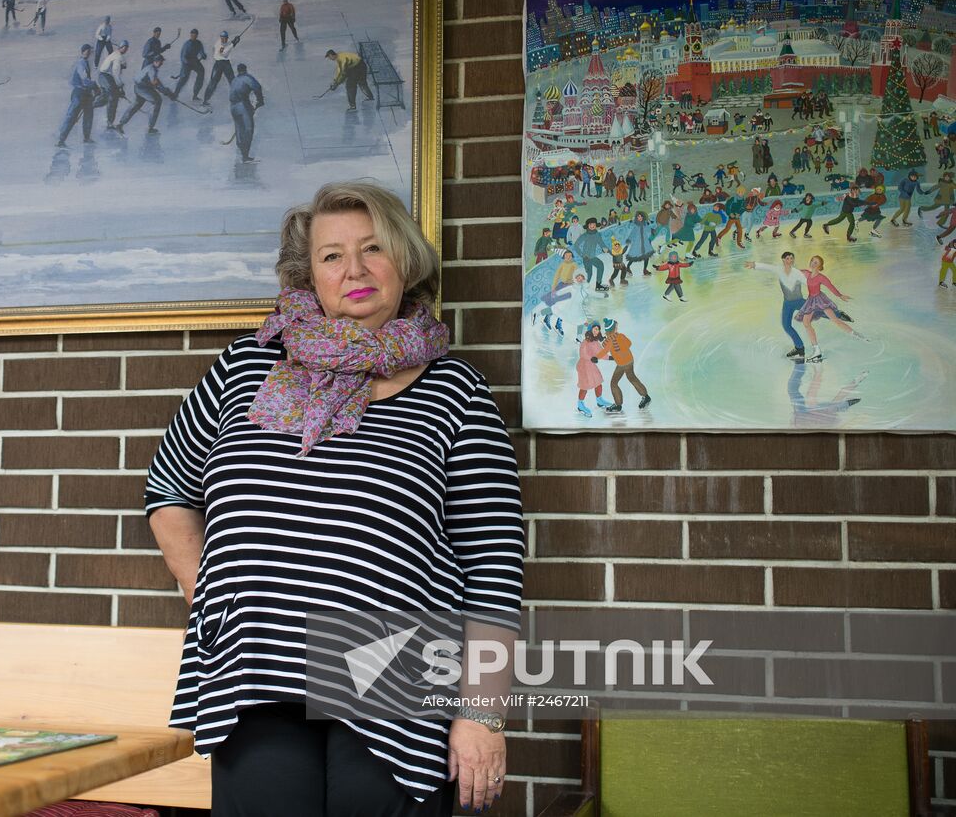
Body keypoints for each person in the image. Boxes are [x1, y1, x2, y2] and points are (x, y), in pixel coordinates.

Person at [146, 181, 524, 817]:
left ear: (404, 262)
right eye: (331, 255)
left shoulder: (455, 391)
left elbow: (493, 570)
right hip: (257, 670)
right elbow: (170, 490)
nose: (354, 269)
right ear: (308, 274)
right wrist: (209, 597)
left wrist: (482, 714)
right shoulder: (248, 365)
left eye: (373, 248)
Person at [798, 255, 865, 363]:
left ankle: (856, 334)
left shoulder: (821, 277)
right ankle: (817, 350)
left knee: (835, 320)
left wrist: (840, 295)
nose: (813, 263)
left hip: (820, 300)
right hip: (811, 301)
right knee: (806, 323)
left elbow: (830, 286)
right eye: (812, 261)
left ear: (820, 266)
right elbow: (795, 272)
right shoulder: (807, 273)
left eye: (816, 263)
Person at [744, 252, 808, 360]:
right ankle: (799, 347)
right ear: (783, 260)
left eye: (792, 258)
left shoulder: (797, 273)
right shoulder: (779, 269)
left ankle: (838, 314)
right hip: (787, 303)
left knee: (818, 310)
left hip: (799, 301)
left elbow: (809, 283)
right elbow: (768, 267)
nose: (790, 260)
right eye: (788, 258)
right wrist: (754, 265)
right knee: (786, 326)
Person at [115, 52, 174, 136]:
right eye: (161, 62)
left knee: (136, 105)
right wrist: (167, 92)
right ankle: (150, 128)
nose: (162, 63)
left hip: (139, 88)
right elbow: (154, 82)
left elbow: (156, 81)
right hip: (142, 89)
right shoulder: (152, 69)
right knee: (157, 101)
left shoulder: (151, 67)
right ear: (156, 61)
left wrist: (165, 90)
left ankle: (120, 124)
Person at [600, 318, 650, 412]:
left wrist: (596, 357)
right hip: (625, 362)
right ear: (613, 329)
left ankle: (620, 404)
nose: (617, 329)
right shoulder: (617, 337)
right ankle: (644, 397)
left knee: (618, 382)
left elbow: (605, 349)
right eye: (616, 328)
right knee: (628, 379)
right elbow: (628, 343)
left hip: (624, 362)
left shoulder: (611, 339)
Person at [56, 44, 98, 147]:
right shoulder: (80, 63)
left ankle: (86, 137)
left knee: (88, 115)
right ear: (82, 52)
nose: (88, 53)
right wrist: (95, 86)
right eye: (86, 51)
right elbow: (84, 79)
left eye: (89, 51)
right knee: (72, 116)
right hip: (79, 93)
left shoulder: (86, 62)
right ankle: (61, 139)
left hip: (86, 93)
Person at [228, 63, 263, 163]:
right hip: (243, 106)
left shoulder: (234, 80)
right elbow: (257, 87)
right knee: (248, 130)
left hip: (233, 107)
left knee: (239, 130)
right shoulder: (247, 78)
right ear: (245, 70)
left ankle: (243, 154)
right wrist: (260, 101)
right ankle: (245, 156)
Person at [576, 320, 607, 417]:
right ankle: (580, 405)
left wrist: (611, 358)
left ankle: (600, 400)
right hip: (583, 366)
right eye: (595, 329)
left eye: (598, 329)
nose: (597, 331)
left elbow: (601, 353)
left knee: (598, 382)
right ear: (590, 330)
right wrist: (591, 358)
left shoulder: (595, 342)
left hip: (591, 365)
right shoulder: (585, 342)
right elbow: (583, 354)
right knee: (585, 386)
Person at [202, 31, 240, 105]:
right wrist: (233, 43)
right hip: (218, 64)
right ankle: (205, 100)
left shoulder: (227, 42)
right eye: (222, 38)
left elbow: (228, 45)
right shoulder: (219, 44)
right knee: (213, 82)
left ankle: (238, 97)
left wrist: (234, 41)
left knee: (232, 81)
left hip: (226, 64)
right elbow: (223, 53)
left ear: (227, 38)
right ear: (220, 38)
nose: (224, 40)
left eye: (225, 38)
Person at [98, 39, 129, 130]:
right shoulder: (118, 57)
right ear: (122, 47)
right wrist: (120, 87)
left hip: (105, 77)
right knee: (113, 97)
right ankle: (110, 122)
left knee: (106, 97)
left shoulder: (117, 55)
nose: (126, 50)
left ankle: (91, 105)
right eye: (125, 48)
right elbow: (115, 73)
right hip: (105, 77)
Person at [172, 29, 207, 102]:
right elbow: (183, 56)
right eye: (192, 35)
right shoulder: (187, 44)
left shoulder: (199, 43)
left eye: (195, 35)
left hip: (195, 61)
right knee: (184, 78)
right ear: (190, 35)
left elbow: (202, 52)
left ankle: (195, 95)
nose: (194, 36)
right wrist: (187, 62)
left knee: (201, 72)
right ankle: (175, 94)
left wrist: (203, 55)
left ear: (197, 35)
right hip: (187, 63)